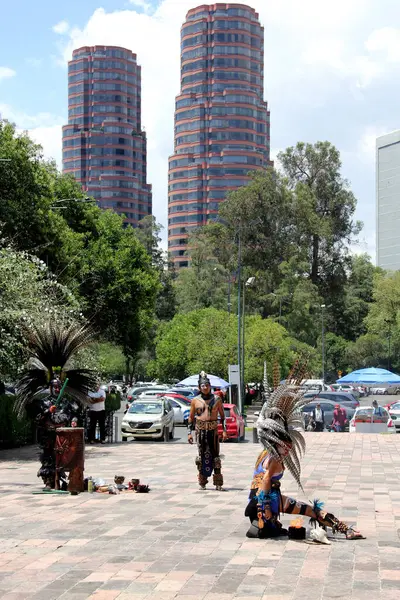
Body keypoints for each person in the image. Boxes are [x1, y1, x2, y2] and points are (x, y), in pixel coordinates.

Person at [245, 362, 364, 540]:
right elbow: (266, 479)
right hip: (267, 501)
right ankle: (345, 529)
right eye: (285, 445)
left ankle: (343, 528)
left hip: (259, 501)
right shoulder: (275, 458)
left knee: (308, 509)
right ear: (278, 441)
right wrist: (266, 509)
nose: (288, 450)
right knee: (310, 510)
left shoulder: (266, 453)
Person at [188, 371, 228, 490]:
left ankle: (218, 482)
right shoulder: (195, 400)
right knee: (201, 456)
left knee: (215, 456)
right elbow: (191, 418)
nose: (205, 388)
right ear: (199, 387)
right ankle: (202, 481)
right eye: (202, 386)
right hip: (200, 432)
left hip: (213, 432)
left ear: (210, 386)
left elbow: (223, 416)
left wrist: (224, 431)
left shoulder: (217, 399)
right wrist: (189, 433)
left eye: (207, 385)